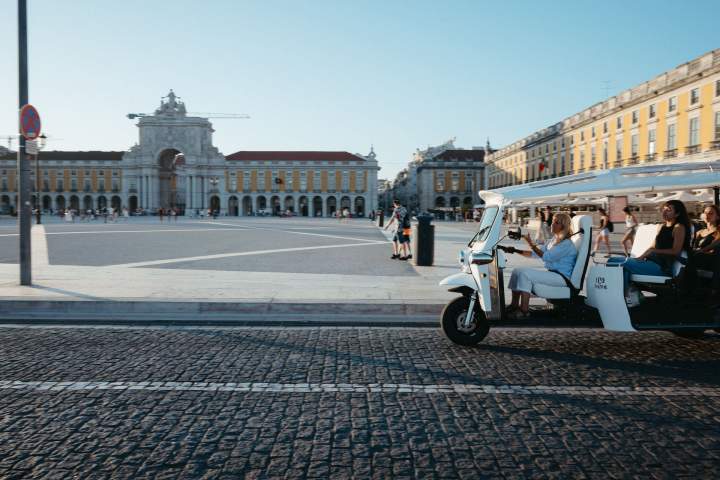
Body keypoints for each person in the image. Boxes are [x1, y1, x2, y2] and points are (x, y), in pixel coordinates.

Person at [607, 200, 691, 296]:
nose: (664, 212)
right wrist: (640, 257)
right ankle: (622, 296)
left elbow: (676, 251)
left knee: (613, 261)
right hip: (651, 262)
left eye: (668, 210)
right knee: (621, 268)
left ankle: (619, 296)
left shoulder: (678, 227)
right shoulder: (661, 227)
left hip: (662, 267)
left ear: (677, 214)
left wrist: (653, 251)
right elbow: (652, 246)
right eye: (664, 209)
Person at [506, 213, 577, 318]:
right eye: (553, 221)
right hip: (554, 275)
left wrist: (530, 243)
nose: (552, 224)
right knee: (517, 271)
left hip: (562, 277)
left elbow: (546, 256)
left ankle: (524, 310)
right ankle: (514, 305)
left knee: (525, 274)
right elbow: (535, 254)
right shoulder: (554, 240)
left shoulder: (566, 244)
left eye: (556, 223)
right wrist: (515, 250)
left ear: (563, 226)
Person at [690, 204, 720, 297]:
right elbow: (691, 246)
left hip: (711, 258)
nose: (707, 215)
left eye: (711, 213)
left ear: (718, 216)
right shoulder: (699, 232)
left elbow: (716, 244)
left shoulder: (718, 230)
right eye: (705, 213)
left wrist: (701, 251)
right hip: (698, 257)